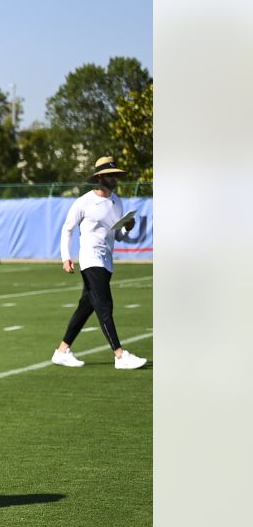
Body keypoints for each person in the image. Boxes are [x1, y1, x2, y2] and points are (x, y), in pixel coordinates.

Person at [51, 156, 148, 370]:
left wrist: (127, 227)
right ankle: (120, 355)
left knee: (86, 307)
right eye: (111, 175)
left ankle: (62, 351)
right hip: (90, 258)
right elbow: (67, 229)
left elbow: (118, 235)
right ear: (101, 177)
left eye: (116, 175)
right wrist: (65, 257)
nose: (115, 179)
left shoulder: (117, 202)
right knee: (105, 305)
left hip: (107, 260)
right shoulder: (84, 202)